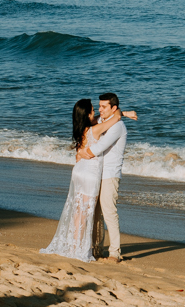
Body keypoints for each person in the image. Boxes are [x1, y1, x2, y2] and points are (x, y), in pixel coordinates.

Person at [39, 98, 124, 261]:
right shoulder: (96, 130)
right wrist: (119, 112)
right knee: (85, 214)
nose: (96, 113)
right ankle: (78, 249)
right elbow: (116, 118)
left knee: (78, 212)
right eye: (93, 110)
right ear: (87, 114)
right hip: (90, 175)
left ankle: (73, 245)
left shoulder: (81, 130)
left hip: (78, 171)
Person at [79, 92, 136, 262]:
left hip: (110, 175)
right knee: (96, 213)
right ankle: (97, 249)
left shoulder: (118, 127)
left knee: (109, 212)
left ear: (113, 108)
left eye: (104, 107)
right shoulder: (104, 120)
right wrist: (123, 113)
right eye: (99, 106)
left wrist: (81, 153)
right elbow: (90, 120)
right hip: (96, 173)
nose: (99, 110)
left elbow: (99, 148)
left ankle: (114, 252)